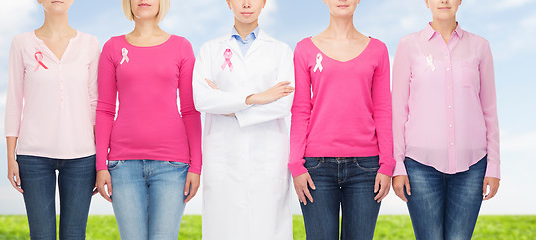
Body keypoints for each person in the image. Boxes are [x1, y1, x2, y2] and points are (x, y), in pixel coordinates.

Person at [391, 0, 501, 239]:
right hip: (419, 165)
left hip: (472, 166)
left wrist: (494, 165)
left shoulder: (480, 47)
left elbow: (489, 110)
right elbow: (398, 110)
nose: (444, 1)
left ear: (460, 1)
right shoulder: (408, 46)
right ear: (427, 2)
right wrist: (397, 164)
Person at [94, 0, 202, 239]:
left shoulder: (182, 47)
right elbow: (104, 109)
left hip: (173, 166)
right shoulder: (112, 48)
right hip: (123, 166)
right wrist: (101, 164)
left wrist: (196, 165)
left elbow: (190, 110)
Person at [289, 0, 394, 239]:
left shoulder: (377, 49)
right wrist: (296, 164)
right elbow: (301, 108)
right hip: (315, 167)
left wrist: (387, 164)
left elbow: (383, 110)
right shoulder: (305, 49)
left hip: (367, 167)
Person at [192, 0, 295, 239]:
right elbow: (202, 100)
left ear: (264, 3)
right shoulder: (210, 49)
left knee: (268, 227)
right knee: (224, 227)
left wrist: (228, 105)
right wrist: (256, 98)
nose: (246, 4)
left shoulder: (280, 50)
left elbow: (282, 104)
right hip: (223, 155)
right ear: (229, 3)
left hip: (268, 156)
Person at [5, 0, 100, 239]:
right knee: (41, 234)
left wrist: (101, 161)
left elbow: (95, 102)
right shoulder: (21, 43)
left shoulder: (90, 44)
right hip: (33, 156)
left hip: (82, 157)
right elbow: (14, 101)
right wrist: (10, 157)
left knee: (74, 234)